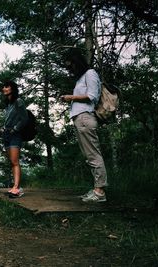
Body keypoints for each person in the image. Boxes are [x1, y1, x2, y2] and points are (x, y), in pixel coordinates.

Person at [60, 48, 108, 202]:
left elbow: (92, 96)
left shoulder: (90, 73)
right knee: (89, 156)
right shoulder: (82, 78)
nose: (70, 69)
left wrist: (71, 97)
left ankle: (100, 192)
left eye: (71, 65)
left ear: (77, 62)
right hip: (80, 119)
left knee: (93, 154)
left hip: (85, 117)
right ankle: (96, 188)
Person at [1, 80, 28, 198]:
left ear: (12, 88)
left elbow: (24, 118)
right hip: (6, 134)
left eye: (6, 86)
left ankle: (17, 188)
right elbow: (8, 119)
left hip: (15, 134)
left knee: (15, 161)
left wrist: (15, 129)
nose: (3, 89)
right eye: (3, 87)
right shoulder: (8, 104)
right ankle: (14, 187)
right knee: (12, 162)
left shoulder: (18, 101)